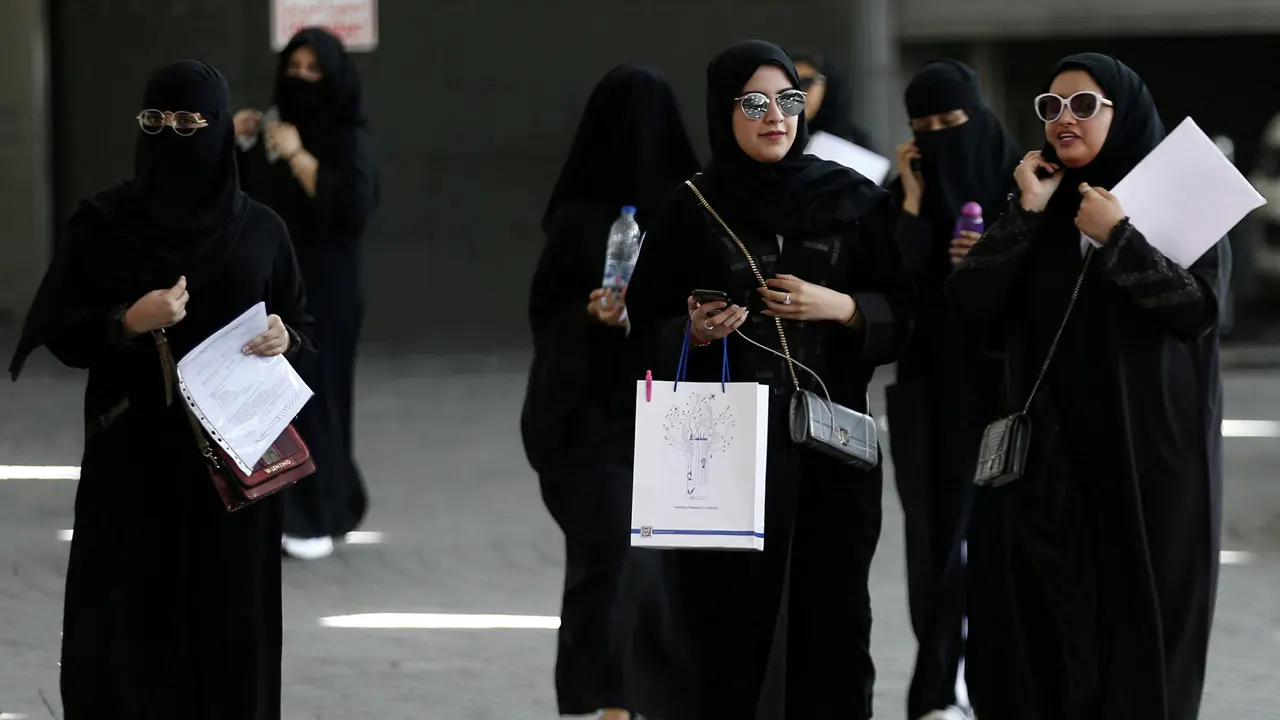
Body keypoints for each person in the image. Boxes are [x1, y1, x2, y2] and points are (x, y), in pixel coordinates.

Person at [8, 59, 312, 719]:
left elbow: (302, 323)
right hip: (134, 464)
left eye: (188, 123)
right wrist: (127, 321)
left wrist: (285, 337)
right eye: (155, 121)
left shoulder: (261, 230)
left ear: (218, 129)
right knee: (129, 629)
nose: (170, 135)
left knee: (229, 632)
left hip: (233, 472)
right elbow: (61, 331)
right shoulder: (103, 224)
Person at [626, 40, 915, 719]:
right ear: (722, 111)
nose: (775, 116)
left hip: (831, 449)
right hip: (726, 452)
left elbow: (906, 315)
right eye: (754, 103)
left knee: (833, 619)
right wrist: (694, 332)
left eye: (787, 100)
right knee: (728, 621)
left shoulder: (853, 198)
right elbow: (644, 325)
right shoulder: (691, 207)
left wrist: (841, 307)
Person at [947, 53, 1228, 719]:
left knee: (1144, 631)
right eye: (1050, 107)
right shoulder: (1038, 206)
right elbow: (966, 310)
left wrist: (1119, 238)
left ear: (1121, 113)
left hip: (1148, 463)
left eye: (1083, 105)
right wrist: (1024, 210)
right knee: (1058, 638)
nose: (1063, 119)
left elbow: (1197, 313)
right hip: (1052, 466)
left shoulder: (1182, 198)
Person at [521, 63, 701, 720]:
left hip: (673, 417)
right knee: (614, 555)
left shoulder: (693, 213)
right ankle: (613, 703)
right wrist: (588, 316)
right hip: (592, 420)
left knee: (661, 566)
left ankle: (649, 697)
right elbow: (547, 316)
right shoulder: (577, 223)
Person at [885, 60, 1023, 720]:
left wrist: (989, 259)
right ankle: (940, 688)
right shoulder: (903, 192)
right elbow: (891, 286)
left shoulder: (1022, 182)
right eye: (925, 126)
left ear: (979, 115)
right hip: (932, 392)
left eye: (952, 121)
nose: (940, 136)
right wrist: (913, 203)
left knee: (1004, 543)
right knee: (936, 543)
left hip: (1008, 392)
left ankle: (1004, 688)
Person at [234, 26, 379, 561]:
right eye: (293, 68)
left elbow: (352, 210)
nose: (301, 78)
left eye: (314, 70)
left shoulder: (350, 139)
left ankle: (320, 512)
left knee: (321, 398)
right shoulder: (271, 132)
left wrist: (297, 155)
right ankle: (286, 506)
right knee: (276, 402)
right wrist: (236, 142)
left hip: (328, 291)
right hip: (275, 291)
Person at [791, 50, 876, 150]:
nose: (797, 93)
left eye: (805, 83)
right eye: (789, 85)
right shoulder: (779, 139)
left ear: (828, 85)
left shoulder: (855, 144)